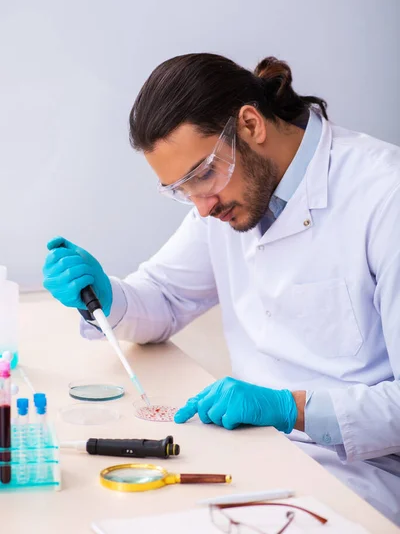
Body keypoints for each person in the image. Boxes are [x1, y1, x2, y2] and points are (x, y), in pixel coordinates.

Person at [43, 53, 400, 524]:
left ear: (251, 125)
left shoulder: (383, 195)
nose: (202, 207)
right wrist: (107, 297)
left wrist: (287, 407)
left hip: (357, 473)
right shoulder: (229, 196)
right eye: (181, 190)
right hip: (253, 451)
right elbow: (166, 296)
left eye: (202, 176)